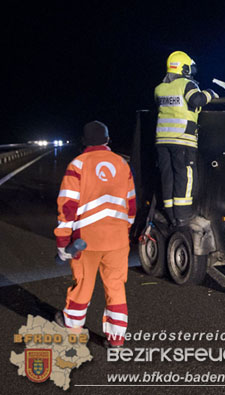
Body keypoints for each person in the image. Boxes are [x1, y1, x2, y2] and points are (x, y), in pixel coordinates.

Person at [54, 121, 136, 347]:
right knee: (116, 287)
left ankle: (73, 328)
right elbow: (131, 206)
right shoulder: (122, 163)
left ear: (83, 141)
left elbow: (67, 207)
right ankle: (116, 340)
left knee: (82, 286)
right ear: (108, 140)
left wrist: (63, 242)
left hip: (85, 241)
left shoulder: (77, 164)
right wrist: (122, 232)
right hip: (118, 241)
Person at [155, 50, 217, 226]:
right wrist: (210, 93)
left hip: (162, 140)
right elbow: (196, 101)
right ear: (184, 68)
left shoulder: (160, 88)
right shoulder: (186, 84)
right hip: (182, 139)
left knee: (167, 176)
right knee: (185, 176)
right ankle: (183, 216)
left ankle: (171, 214)